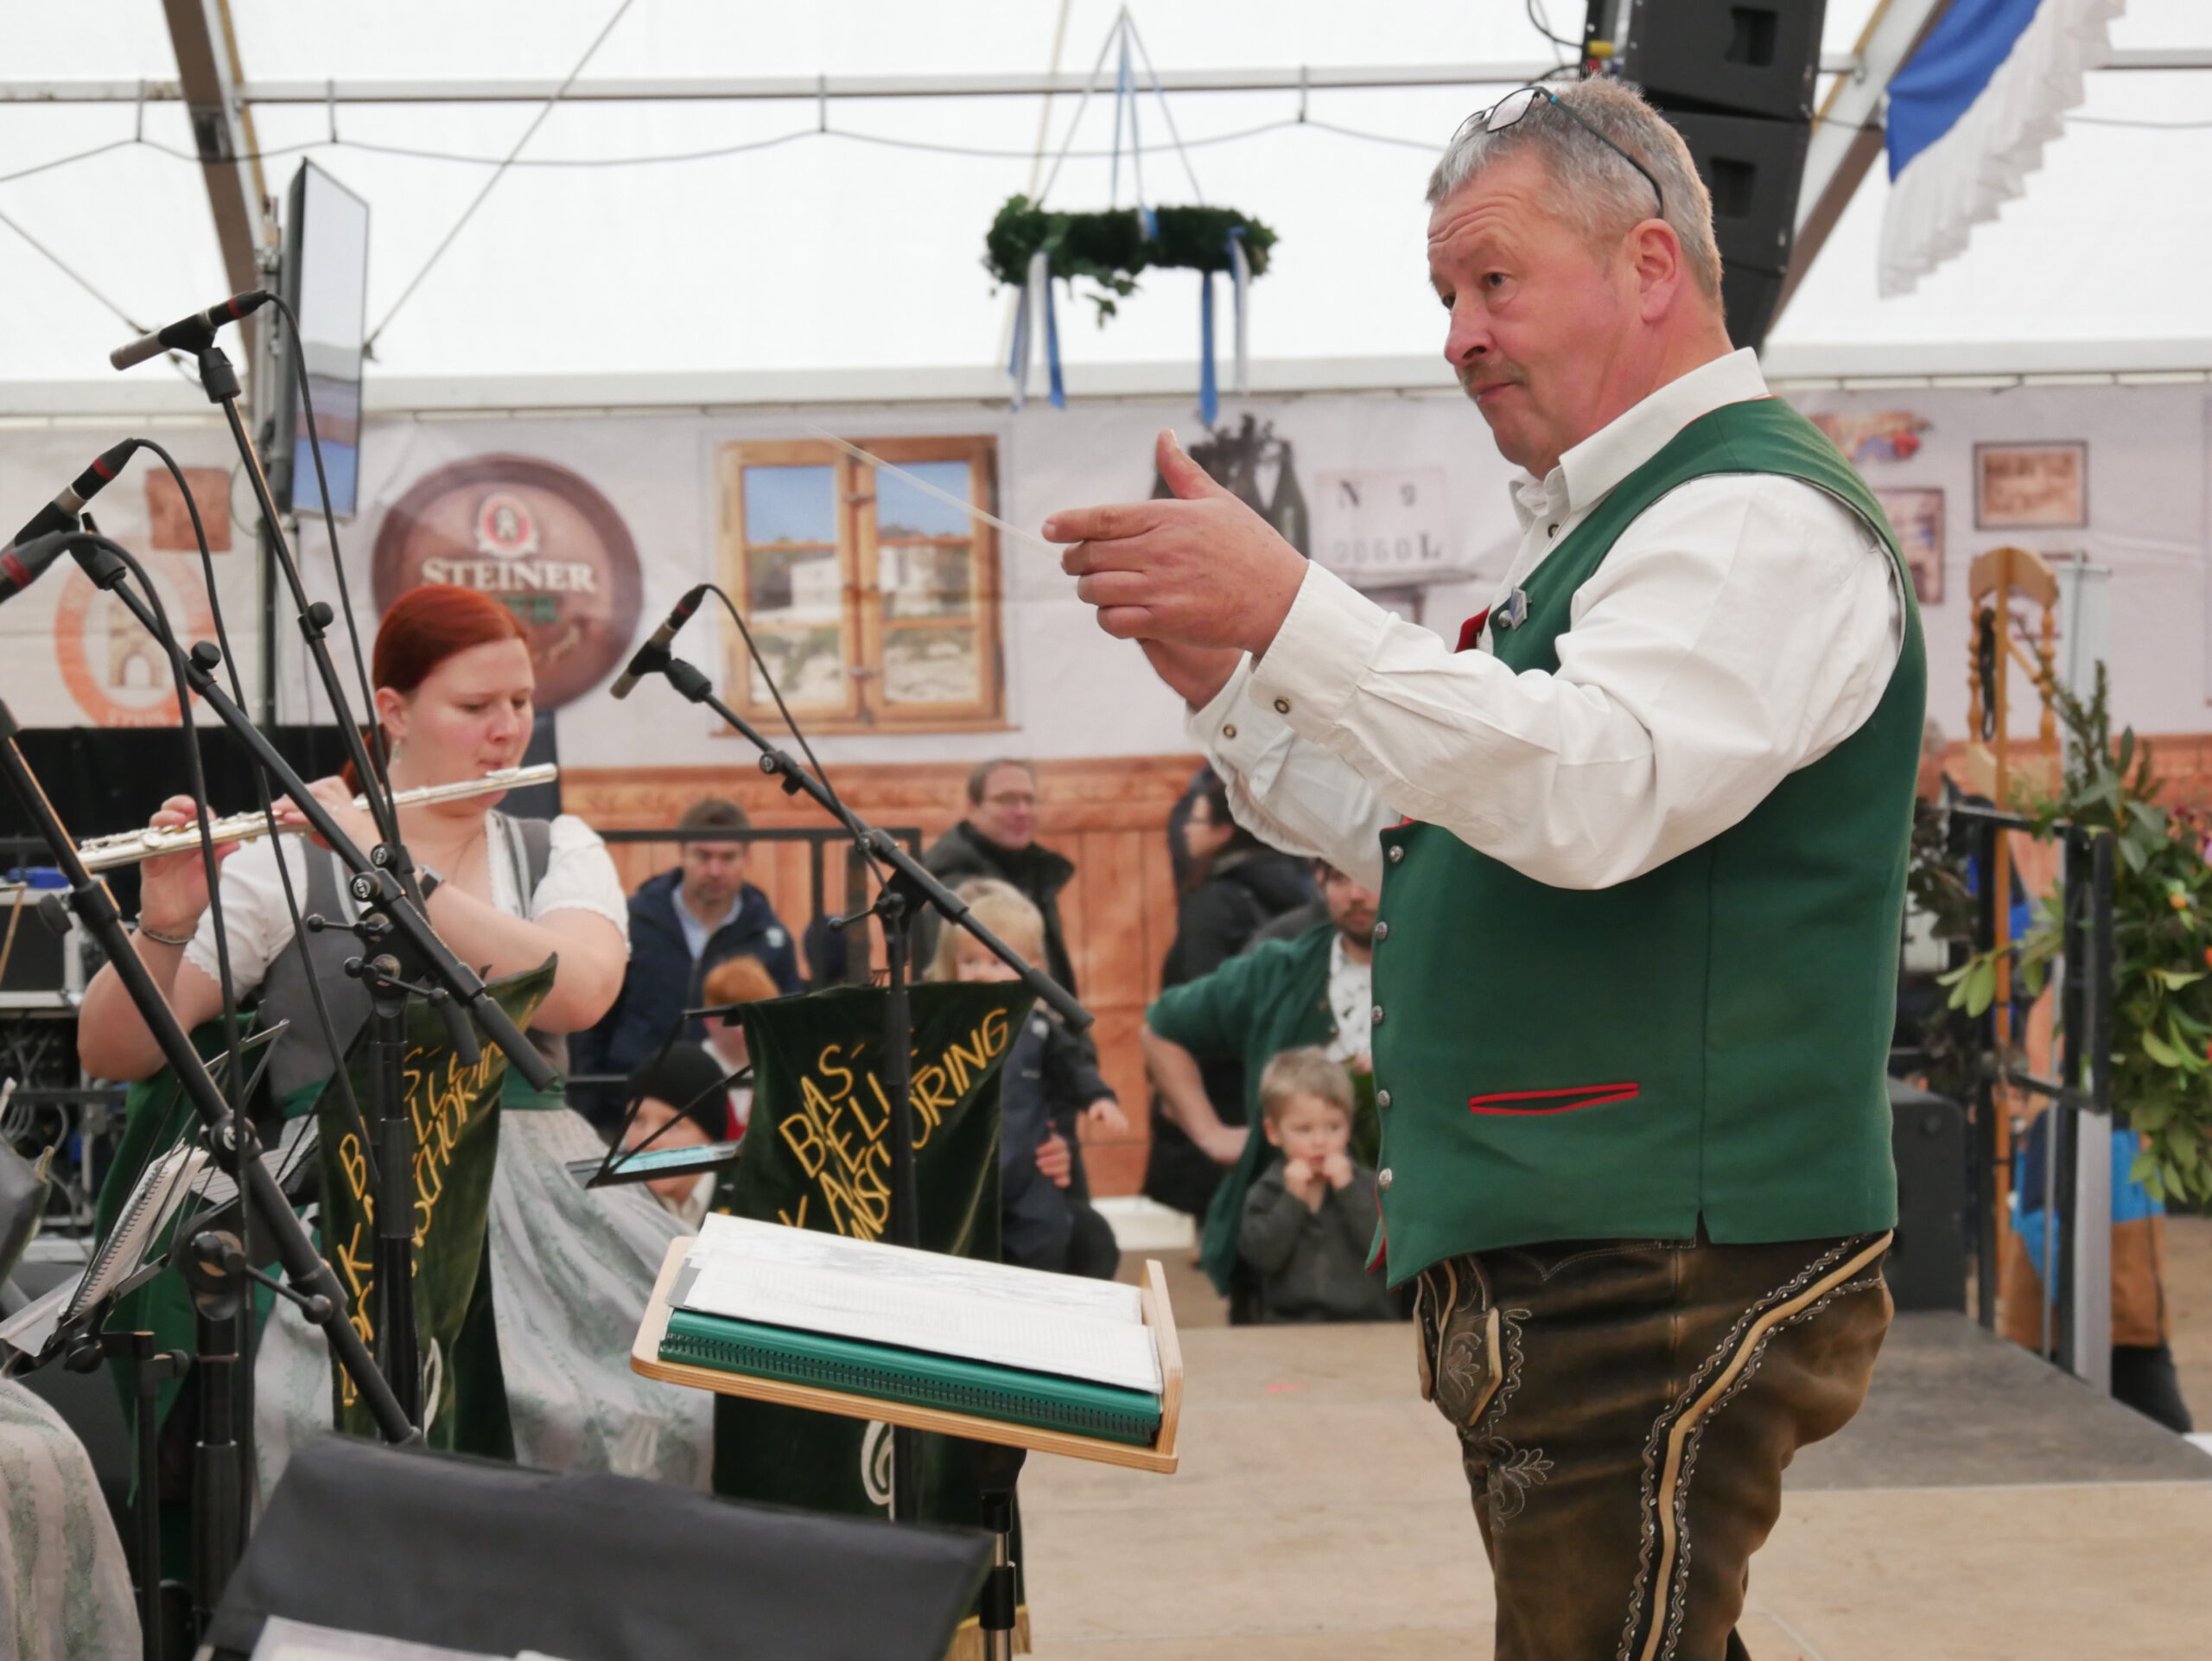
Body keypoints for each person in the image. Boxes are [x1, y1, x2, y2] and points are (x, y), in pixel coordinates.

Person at [1047, 78, 1922, 1660]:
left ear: (1649, 266)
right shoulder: (1639, 518)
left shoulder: (1751, 514)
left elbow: (1594, 789)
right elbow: (1448, 822)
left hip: (1661, 1244)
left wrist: (1295, 610)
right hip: (1609, 1238)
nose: (1459, 335)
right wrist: (1235, 679)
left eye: (1494, 280)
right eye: (1447, 293)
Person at [77, 583, 712, 1490]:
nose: (508, 729)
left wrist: (387, 870)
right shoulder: (289, 861)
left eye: (521, 702)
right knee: (329, 1421)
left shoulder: (553, 848)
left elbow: (576, 990)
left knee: (669, 1402)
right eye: (476, 706)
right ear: (394, 710)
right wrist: (164, 926)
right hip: (349, 1205)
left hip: (543, 1206)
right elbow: (113, 1052)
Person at [1142, 862, 1379, 1308]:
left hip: (1408, 1258)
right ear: (1320, 882)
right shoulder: (1279, 969)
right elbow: (1162, 1026)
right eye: (1340, 878)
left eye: (1371, 876)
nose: (1356, 894)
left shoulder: (1444, 972)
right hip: (1283, 1269)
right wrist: (1211, 1134)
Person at [1145, 770, 1316, 1219]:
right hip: (1287, 1075)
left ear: (1224, 831)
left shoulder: (1214, 900)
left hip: (1223, 1086)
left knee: (1230, 1216)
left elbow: (1199, 996)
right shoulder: (1302, 888)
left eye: (1195, 821)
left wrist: (1176, 1092)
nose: (1185, 830)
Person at [931, 878, 1122, 1278]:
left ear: (1032, 970)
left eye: (997, 962)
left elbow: (1073, 1068)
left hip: (1027, 1170)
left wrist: (1099, 1099)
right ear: (951, 963)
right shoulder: (939, 1028)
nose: (982, 974)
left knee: (1049, 1236)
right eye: (970, 962)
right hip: (961, 1177)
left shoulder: (1039, 1028)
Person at [572, 797, 800, 1129]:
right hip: (632, 1107)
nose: (715, 870)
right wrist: (591, 1111)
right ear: (682, 853)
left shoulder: (770, 937)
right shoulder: (633, 922)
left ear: (747, 858)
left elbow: (787, 1033)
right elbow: (594, 1020)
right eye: (703, 856)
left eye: (728, 857)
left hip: (727, 1116)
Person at [1238, 1047, 1395, 1324]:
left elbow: (1385, 1252)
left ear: (1349, 1126)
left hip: (1368, 1323)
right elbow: (1262, 1258)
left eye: (1333, 1127)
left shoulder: (1369, 1186)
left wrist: (1348, 1190)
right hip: (1287, 1326)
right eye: (1304, 1129)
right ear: (1274, 1132)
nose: (1320, 1141)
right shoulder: (1267, 1192)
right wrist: (1292, 1199)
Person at [920, 759, 1080, 995]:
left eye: (1029, 800)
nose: (1022, 811)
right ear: (972, 809)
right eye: (1006, 799)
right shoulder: (955, 890)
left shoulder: (1034, 873)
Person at [622, 1042, 735, 1228]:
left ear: (709, 1136)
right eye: (637, 1120)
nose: (647, 1141)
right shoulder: (613, 1199)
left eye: (672, 1125)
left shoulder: (752, 1197)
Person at [697, 951, 779, 1140]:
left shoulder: (777, 1069)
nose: (751, 1025)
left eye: (760, 1013)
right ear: (710, 1019)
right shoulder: (694, 1071)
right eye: (738, 1017)